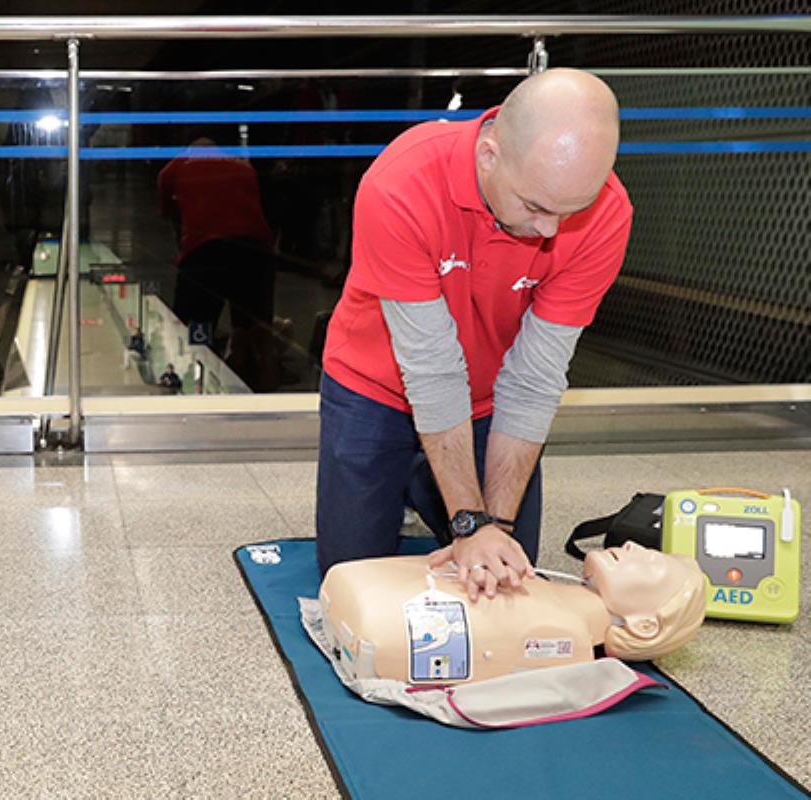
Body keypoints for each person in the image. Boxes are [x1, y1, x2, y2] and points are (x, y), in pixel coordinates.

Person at [316, 69, 632, 600]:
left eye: (571, 210)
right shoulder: (403, 182)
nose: (551, 230)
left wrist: (494, 527)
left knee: (506, 575)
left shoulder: (607, 214)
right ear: (489, 155)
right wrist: (468, 521)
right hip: (375, 384)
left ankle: (433, 490)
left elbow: (534, 378)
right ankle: (423, 493)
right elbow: (432, 369)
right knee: (349, 583)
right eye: (535, 206)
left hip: (491, 399)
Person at [312, 542, 705, 687]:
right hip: (361, 598)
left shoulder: (565, 638)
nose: (633, 544)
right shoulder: (547, 587)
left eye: (651, 562)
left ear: (645, 625)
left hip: (368, 616)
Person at [158, 137, 280, 390]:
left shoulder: (176, 166)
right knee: (254, 325)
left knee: (194, 325)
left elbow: (171, 214)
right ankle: (261, 379)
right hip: (255, 251)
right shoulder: (242, 166)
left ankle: (195, 376)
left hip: (205, 253)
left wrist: (185, 251)